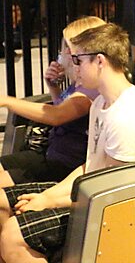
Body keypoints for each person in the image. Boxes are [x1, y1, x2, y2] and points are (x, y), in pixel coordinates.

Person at [0, 23, 135, 262]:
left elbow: (112, 190)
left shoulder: (128, 116)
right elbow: (89, 167)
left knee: (12, 236)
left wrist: (49, 201)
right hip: (92, 191)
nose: (74, 69)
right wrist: (49, 196)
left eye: (78, 61)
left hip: (112, 208)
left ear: (99, 61)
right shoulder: (101, 103)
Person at [0, 16, 105, 187]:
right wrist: (53, 87)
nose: (64, 53)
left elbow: (56, 116)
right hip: (50, 154)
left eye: (68, 48)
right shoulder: (79, 83)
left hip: (63, 166)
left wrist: (7, 101)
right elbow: (62, 110)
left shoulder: (90, 91)